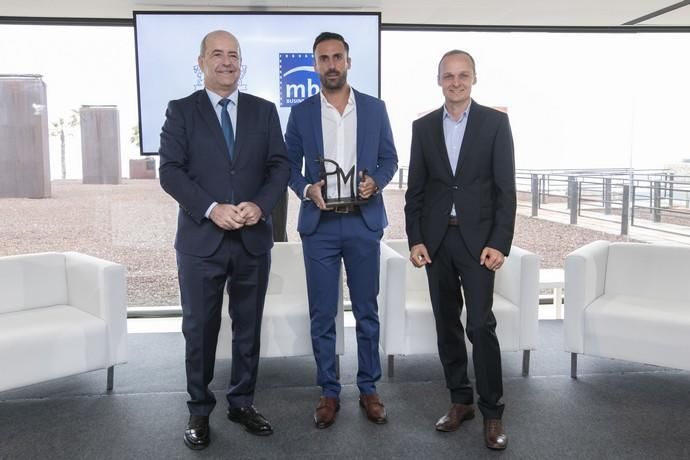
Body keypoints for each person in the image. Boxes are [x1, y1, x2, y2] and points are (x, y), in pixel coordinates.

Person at [159, 30, 290, 450]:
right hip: (201, 242)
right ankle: (200, 410)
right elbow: (171, 172)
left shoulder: (264, 111)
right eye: (217, 54)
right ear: (201, 62)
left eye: (234, 55)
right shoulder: (181, 111)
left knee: (248, 328)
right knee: (200, 329)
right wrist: (212, 207)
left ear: (241, 63)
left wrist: (261, 206)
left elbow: (279, 167)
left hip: (252, 238)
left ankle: (242, 402)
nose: (226, 61)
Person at [404, 49, 516, 450]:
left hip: (479, 243)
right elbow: (415, 190)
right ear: (439, 80)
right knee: (446, 324)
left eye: (463, 75)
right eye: (448, 76)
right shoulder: (423, 127)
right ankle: (460, 401)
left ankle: (492, 412)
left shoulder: (495, 124)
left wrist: (499, 243)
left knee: (480, 325)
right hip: (436, 241)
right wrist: (415, 238)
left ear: (473, 79)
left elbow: (506, 191)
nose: (456, 82)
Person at [285, 32, 398, 429]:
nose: (331, 64)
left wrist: (377, 182)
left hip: (363, 221)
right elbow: (287, 166)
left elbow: (390, 159)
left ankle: (368, 388)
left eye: (337, 57)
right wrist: (305, 188)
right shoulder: (300, 113)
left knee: (367, 311)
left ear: (348, 61)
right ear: (315, 65)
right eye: (323, 58)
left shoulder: (374, 108)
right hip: (320, 226)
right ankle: (329, 392)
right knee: (322, 315)